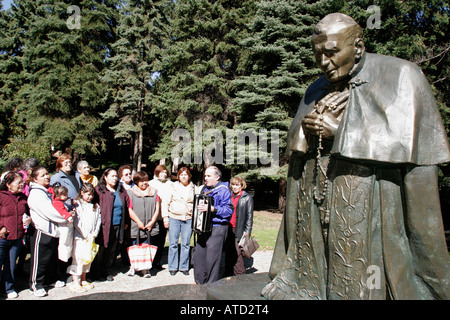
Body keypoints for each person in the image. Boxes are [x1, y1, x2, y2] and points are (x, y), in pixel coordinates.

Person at [262, 13, 450, 300]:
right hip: (318, 198)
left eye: (332, 52)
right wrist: (307, 129)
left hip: (371, 199)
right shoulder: (316, 88)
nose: (324, 62)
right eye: (318, 54)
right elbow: (296, 151)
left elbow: (407, 149)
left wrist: (338, 131)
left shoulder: (400, 74)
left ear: (358, 48)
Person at [27, 167, 69, 297]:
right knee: (39, 259)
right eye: (42, 175)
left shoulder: (47, 191)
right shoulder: (36, 194)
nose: (47, 177)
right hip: (42, 230)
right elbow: (49, 212)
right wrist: (64, 218)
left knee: (50, 258)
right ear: (35, 179)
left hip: (53, 230)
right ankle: (35, 284)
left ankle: (49, 279)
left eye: (47, 174)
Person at [193, 166, 233, 284]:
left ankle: (211, 286)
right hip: (203, 227)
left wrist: (213, 209)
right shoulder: (205, 189)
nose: (205, 178)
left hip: (217, 228)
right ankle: (200, 283)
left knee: (212, 260)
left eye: (208, 176)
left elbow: (229, 211)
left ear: (217, 177)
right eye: (205, 175)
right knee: (199, 257)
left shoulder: (224, 190)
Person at [90, 168, 132, 281]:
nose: (115, 178)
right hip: (103, 226)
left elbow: (127, 206)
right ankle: (95, 272)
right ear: (105, 177)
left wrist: (126, 222)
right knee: (101, 249)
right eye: (112, 176)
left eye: (115, 176)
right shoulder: (99, 190)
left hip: (118, 224)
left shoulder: (121, 190)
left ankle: (106, 270)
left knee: (112, 249)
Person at [0, 171, 30, 299]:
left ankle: (8, 288)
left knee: (11, 264)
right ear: (8, 184)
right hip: (2, 238)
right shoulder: (1, 196)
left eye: (22, 183)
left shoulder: (23, 198)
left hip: (17, 237)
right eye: (18, 183)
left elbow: (27, 213)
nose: (21, 185)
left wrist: (28, 220)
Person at [68, 183, 101, 293]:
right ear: (81, 193)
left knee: (88, 258)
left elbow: (98, 220)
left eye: (91, 195)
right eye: (87, 194)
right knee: (78, 258)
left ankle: (83, 279)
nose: (89, 197)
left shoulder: (95, 206)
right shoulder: (77, 204)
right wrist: (84, 234)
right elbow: (77, 222)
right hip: (80, 237)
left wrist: (95, 232)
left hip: (91, 237)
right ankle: (75, 281)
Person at [126, 171, 160, 278]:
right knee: (134, 247)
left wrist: (152, 222)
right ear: (136, 182)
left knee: (147, 247)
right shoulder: (130, 192)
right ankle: (133, 267)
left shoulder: (154, 192)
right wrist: (138, 222)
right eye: (141, 181)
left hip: (150, 225)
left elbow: (157, 208)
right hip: (136, 225)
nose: (144, 183)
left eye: (145, 180)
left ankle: (146, 269)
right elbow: (129, 209)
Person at [166, 167, 195, 276]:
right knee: (173, 243)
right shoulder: (173, 187)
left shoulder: (193, 188)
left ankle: (184, 266)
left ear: (189, 176)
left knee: (186, 243)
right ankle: (173, 267)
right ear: (178, 176)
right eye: (181, 174)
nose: (184, 176)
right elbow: (166, 202)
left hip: (188, 218)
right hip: (174, 217)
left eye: (186, 174)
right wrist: (165, 217)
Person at [224, 176, 254, 277]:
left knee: (237, 252)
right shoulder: (229, 195)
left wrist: (247, 231)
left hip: (239, 228)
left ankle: (240, 274)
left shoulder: (247, 197)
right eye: (233, 185)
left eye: (237, 185)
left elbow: (249, 216)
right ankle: (228, 273)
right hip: (228, 226)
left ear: (242, 186)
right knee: (228, 251)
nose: (235, 187)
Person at [148, 164, 173, 269]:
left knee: (161, 239)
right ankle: (149, 260)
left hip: (165, 216)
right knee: (152, 239)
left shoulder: (171, 184)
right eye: (162, 172)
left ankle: (157, 260)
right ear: (157, 173)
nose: (164, 174)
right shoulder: (150, 183)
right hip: (153, 215)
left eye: (165, 172)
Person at [47, 185, 75, 263]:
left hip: (68, 224)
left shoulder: (65, 200)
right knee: (64, 239)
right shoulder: (57, 203)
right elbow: (62, 211)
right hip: (63, 224)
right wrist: (68, 216)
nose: (66, 196)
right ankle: (63, 257)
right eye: (64, 195)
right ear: (58, 195)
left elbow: (70, 202)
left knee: (69, 239)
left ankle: (67, 255)